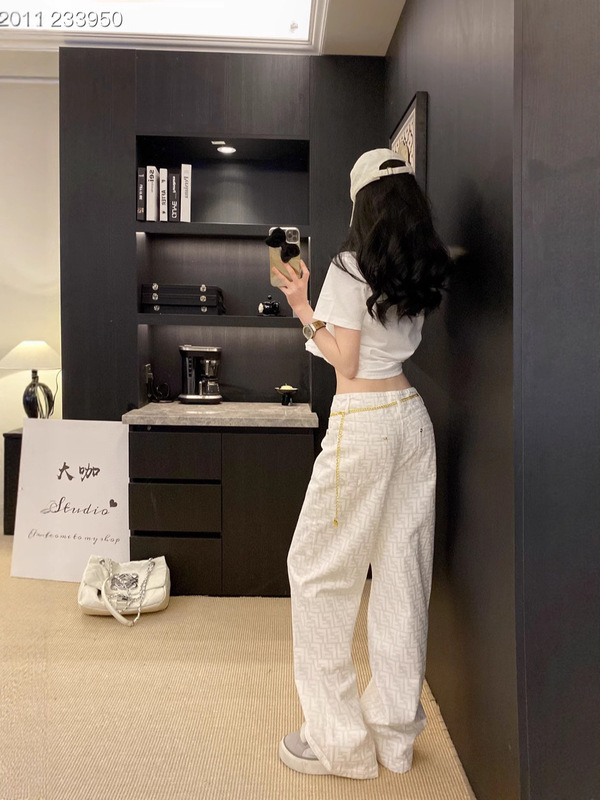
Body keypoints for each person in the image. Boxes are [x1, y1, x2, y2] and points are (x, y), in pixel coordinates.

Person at [274, 148, 453, 780]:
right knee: (403, 578)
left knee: (317, 572)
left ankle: (338, 743)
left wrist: (303, 310)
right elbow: (377, 347)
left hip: (364, 424)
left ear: (361, 205)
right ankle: (393, 737)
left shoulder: (349, 267)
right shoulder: (420, 263)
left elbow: (346, 361)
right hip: (411, 419)